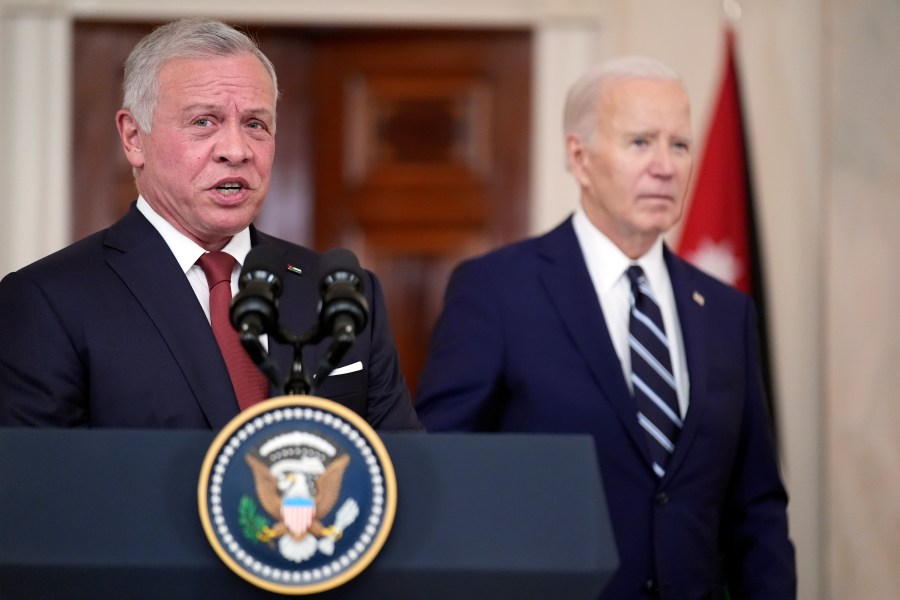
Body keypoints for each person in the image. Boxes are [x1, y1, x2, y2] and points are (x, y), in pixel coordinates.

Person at [415, 56, 795, 598]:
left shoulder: (726, 312)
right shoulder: (496, 291)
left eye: (679, 145)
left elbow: (756, 507)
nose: (665, 166)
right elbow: (443, 476)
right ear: (580, 156)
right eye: (640, 142)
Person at [0, 18, 422, 431]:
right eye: (204, 121)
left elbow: (399, 470)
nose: (236, 150)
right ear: (133, 137)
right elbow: (41, 490)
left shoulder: (344, 294)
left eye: (255, 124)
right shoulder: (48, 302)